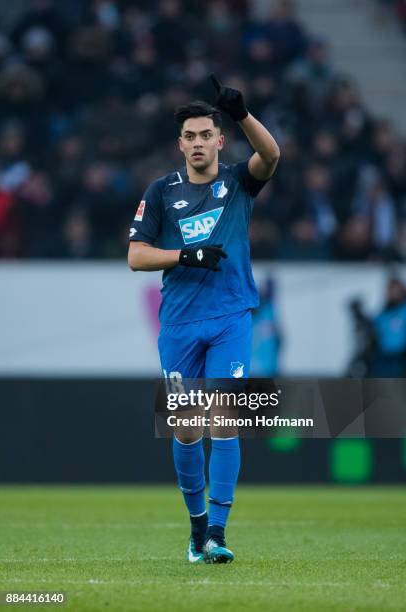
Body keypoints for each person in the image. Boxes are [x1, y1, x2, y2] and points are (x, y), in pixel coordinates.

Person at [127, 75, 280, 564]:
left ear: (219, 140)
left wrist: (241, 113)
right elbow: (136, 257)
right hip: (179, 326)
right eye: (188, 137)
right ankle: (196, 535)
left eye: (204, 135)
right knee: (188, 429)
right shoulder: (161, 191)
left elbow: (272, 156)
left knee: (225, 419)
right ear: (181, 144)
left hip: (231, 315)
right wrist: (185, 256)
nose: (197, 143)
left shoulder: (237, 182)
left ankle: (217, 531)